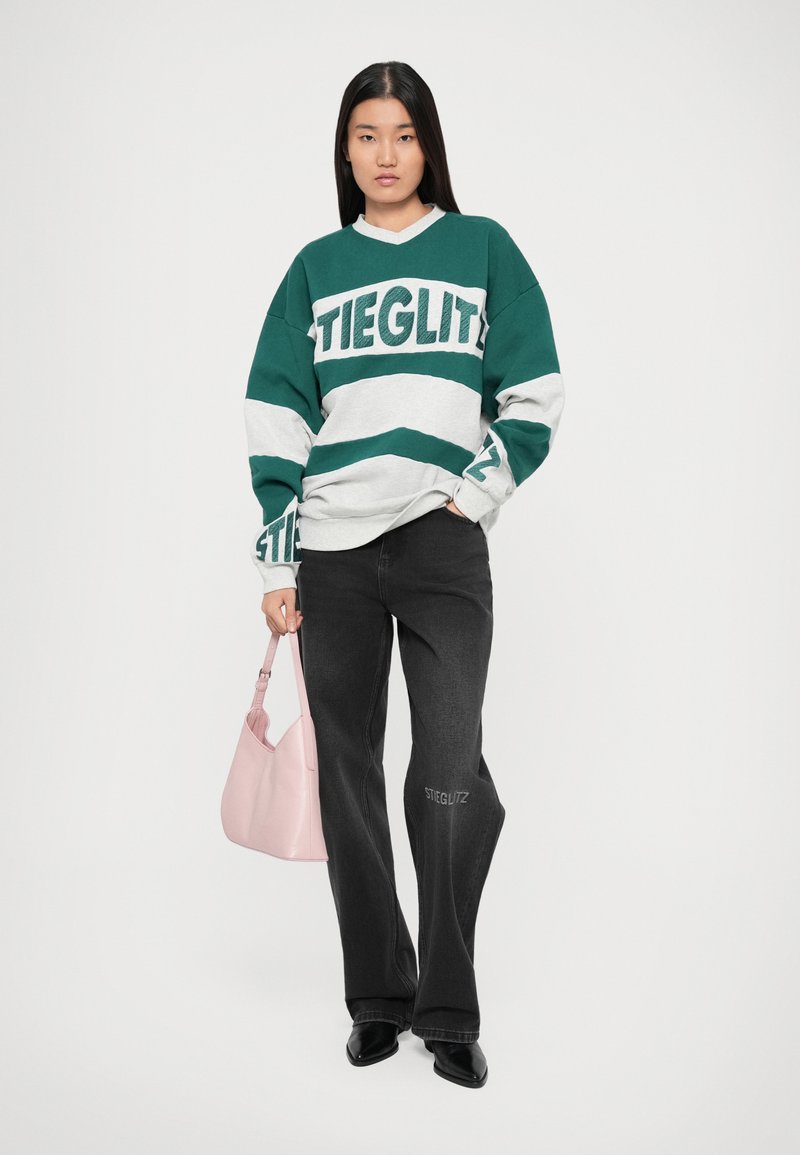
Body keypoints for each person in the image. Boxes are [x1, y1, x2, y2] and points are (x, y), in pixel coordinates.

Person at [243, 60, 565, 1089]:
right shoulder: (315, 268)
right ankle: (379, 996)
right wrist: (277, 553)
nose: (385, 154)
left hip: (439, 545)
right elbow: (276, 411)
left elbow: (535, 390)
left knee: (449, 765)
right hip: (331, 553)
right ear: (344, 150)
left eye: (404, 134)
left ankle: (449, 1006)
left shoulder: (481, 248)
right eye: (366, 134)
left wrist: (472, 496)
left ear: (429, 144)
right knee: (347, 773)